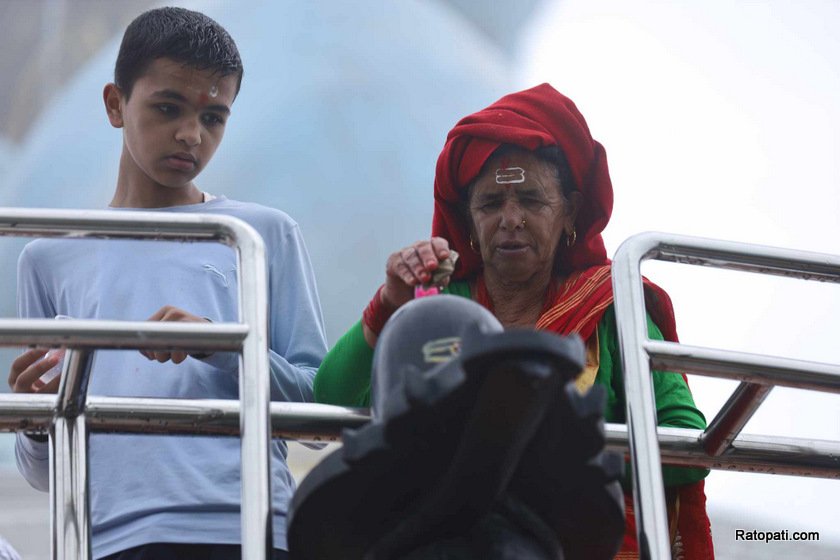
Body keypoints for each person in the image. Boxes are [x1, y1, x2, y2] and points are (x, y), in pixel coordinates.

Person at [314, 83, 714, 559]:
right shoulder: (433, 304)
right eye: (490, 204)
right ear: (468, 224)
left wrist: (549, 462)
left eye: (530, 199)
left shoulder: (612, 307)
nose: (510, 218)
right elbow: (331, 398)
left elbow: (686, 443)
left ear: (570, 213)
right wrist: (390, 303)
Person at [7, 8, 327, 560]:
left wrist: (222, 345)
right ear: (115, 104)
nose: (190, 134)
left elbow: (318, 411)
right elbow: (43, 473)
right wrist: (36, 421)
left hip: (252, 528)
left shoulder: (257, 235)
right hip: (110, 539)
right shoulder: (48, 258)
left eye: (213, 117)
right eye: (167, 107)